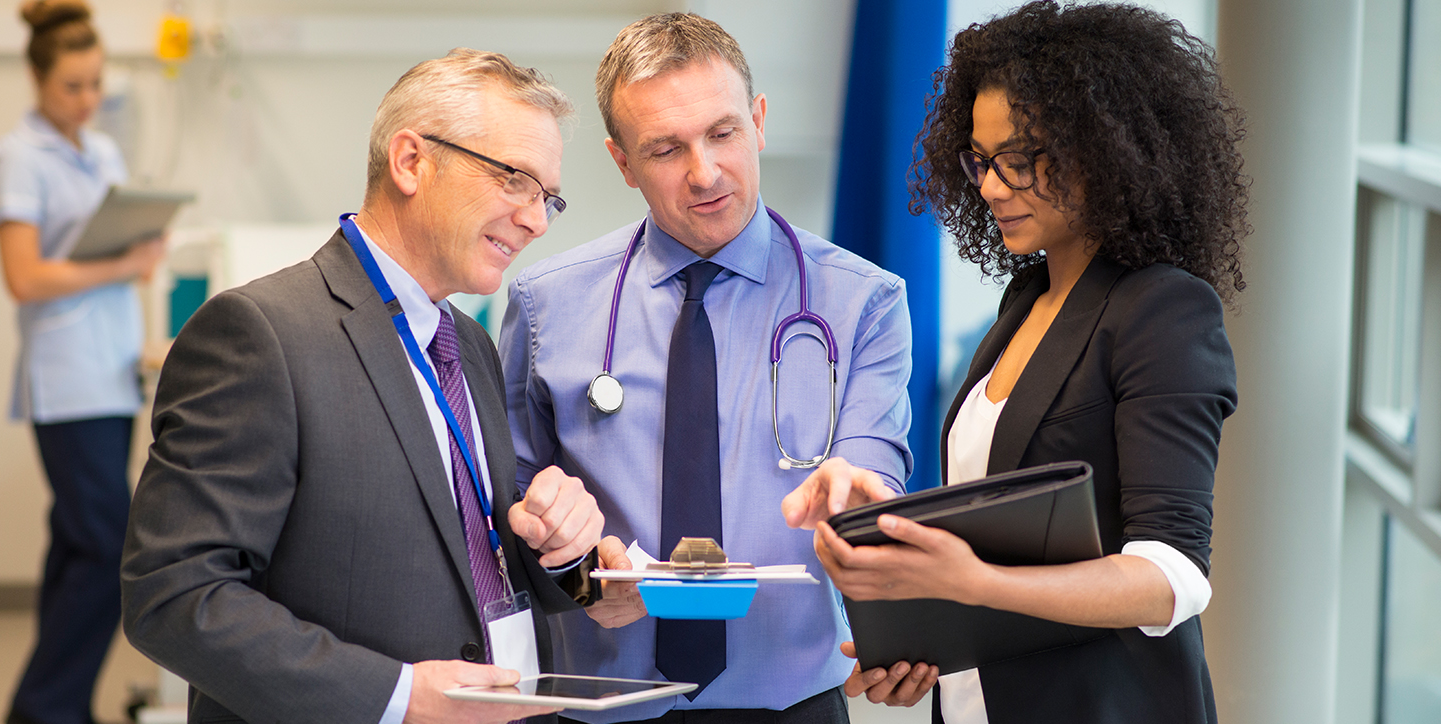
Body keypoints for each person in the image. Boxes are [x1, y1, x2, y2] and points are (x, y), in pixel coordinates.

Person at [120, 49, 606, 724]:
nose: (537, 220)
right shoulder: (260, 335)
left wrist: (555, 546)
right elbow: (174, 597)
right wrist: (398, 699)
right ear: (411, 161)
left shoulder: (468, 344)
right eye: (515, 180)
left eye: (547, 196)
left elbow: (462, 553)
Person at [802, 3, 1249, 723]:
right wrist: (926, 632)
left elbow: (1171, 577)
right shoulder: (1027, 297)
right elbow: (1003, 531)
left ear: (1104, 150)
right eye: (980, 160)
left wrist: (972, 584)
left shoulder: (1163, 310)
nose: (988, 187)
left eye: (1019, 159)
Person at [500, 13, 913, 723]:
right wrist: (578, 574)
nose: (705, 172)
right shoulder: (544, 306)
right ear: (623, 162)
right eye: (665, 149)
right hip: (603, 706)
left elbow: (874, 467)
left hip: (794, 704)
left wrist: (862, 497)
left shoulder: (863, 301)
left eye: (723, 133)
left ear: (758, 121)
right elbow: (510, 499)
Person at [0, 3, 166, 722]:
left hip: (111, 372)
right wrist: (122, 261)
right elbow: (24, 277)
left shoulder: (103, 152)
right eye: (71, 86)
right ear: (36, 78)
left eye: (94, 84)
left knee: (75, 547)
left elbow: (108, 264)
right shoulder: (17, 157)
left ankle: (51, 706)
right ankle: (47, 708)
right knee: (106, 551)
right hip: (65, 383)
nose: (87, 100)